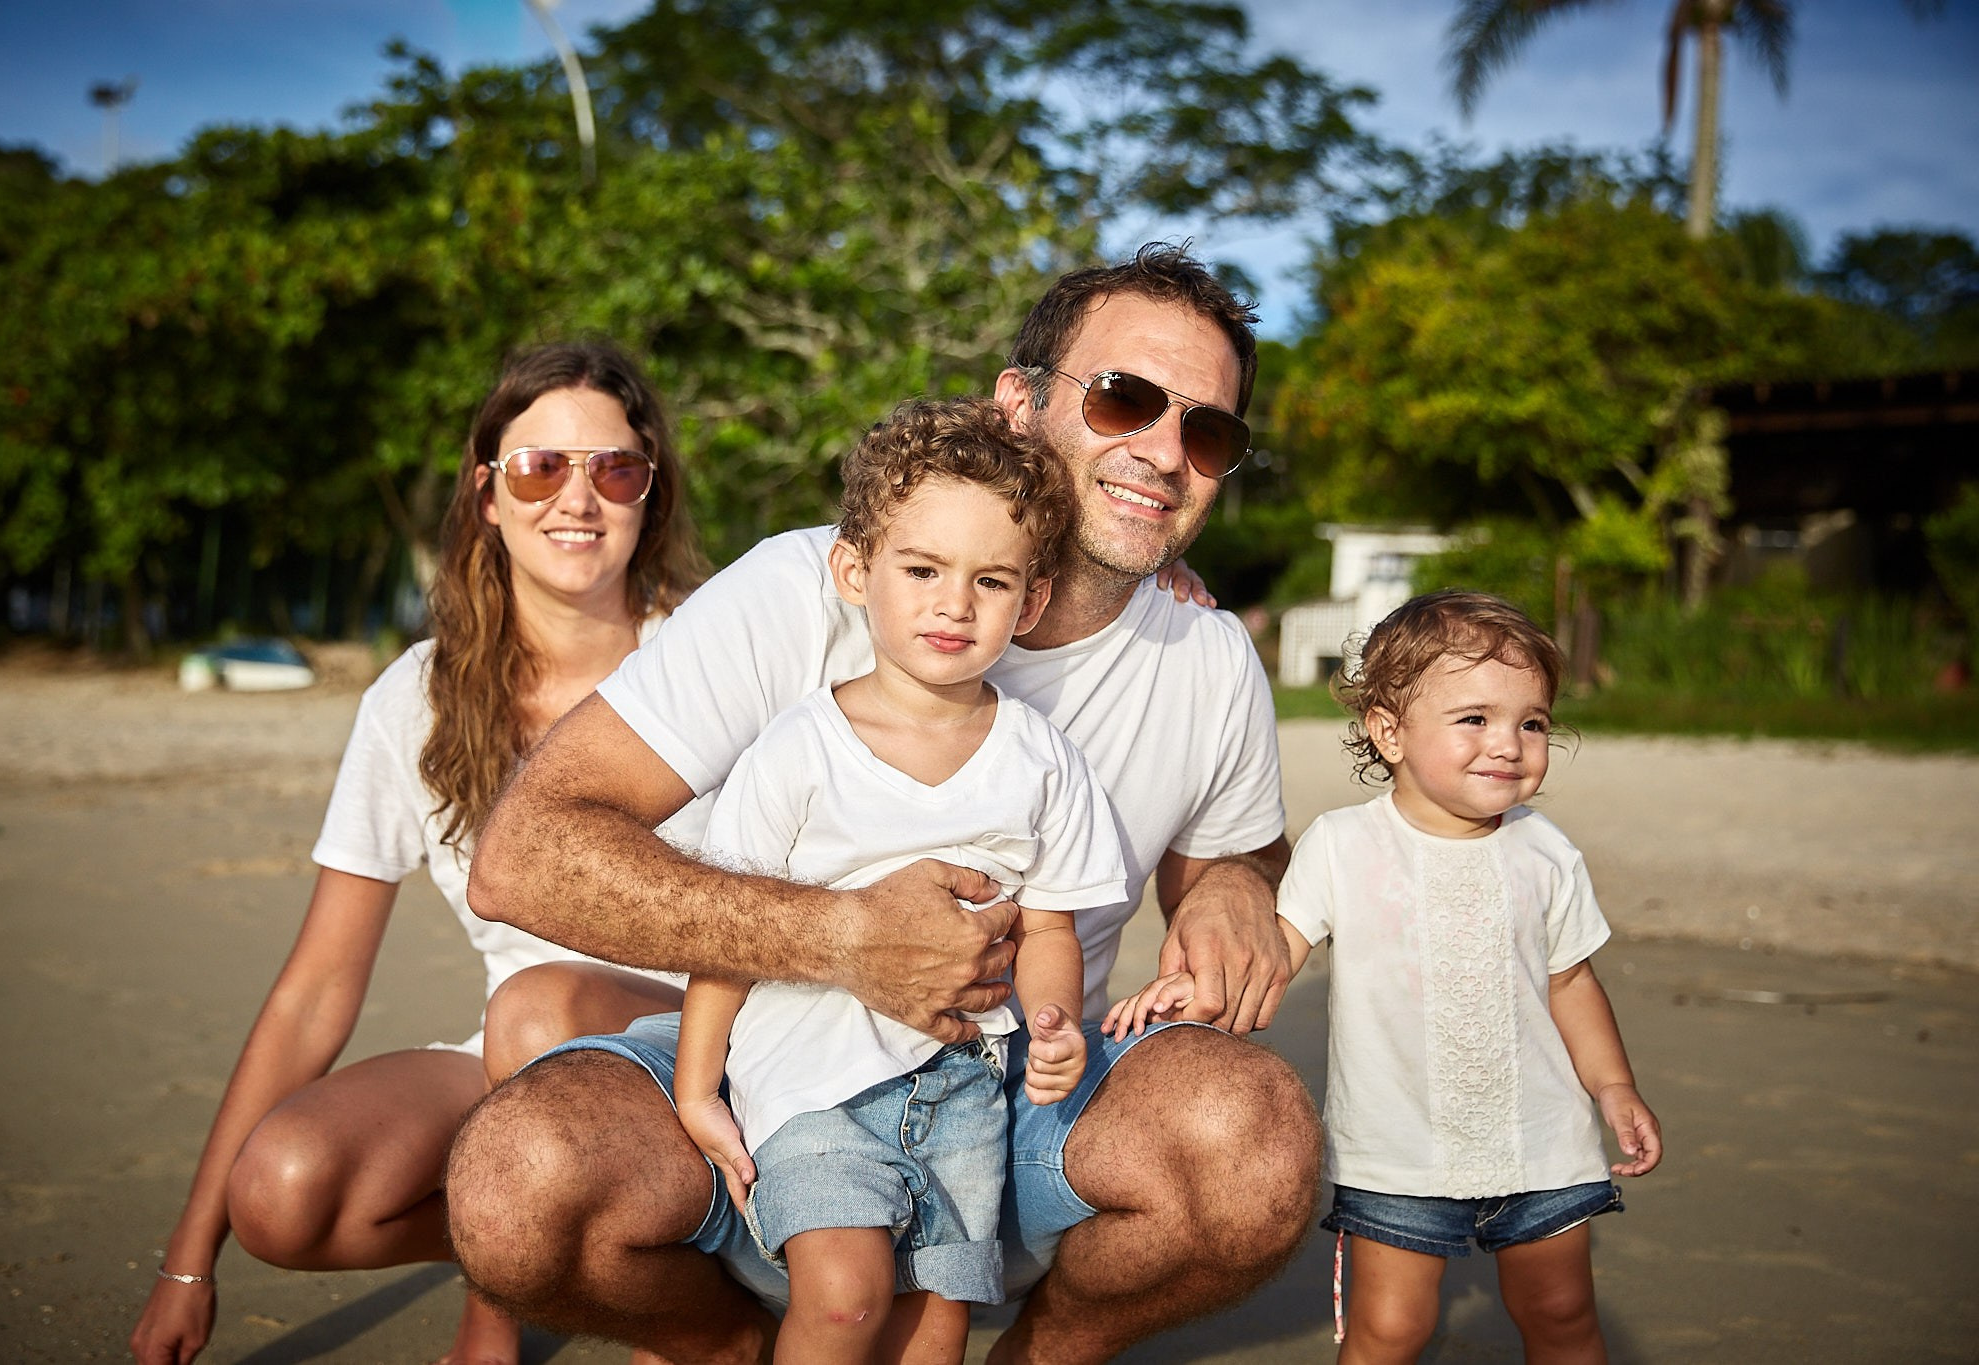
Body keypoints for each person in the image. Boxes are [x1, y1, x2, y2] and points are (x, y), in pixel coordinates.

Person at [446, 244, 1323, 1365]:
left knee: (1257, 1146)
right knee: (512, 1188)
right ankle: (725, 1345)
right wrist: (846, 939)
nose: (1162, 452)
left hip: (1018, 1093)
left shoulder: (1204, 654)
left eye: (1207, 432)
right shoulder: (798, 589)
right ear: (1019, 403)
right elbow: (522, 855)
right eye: (1125, 400)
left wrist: (1240, 887)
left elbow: (1237, 856)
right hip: (778, 1075)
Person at [128, 341, 707, 1365]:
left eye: (613, 468)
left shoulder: (711, 656)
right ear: (486, 495)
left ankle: (559, 1306)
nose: (577, 499)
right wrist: (190, 1258)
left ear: (648, 494)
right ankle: (574, 1261)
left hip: (718, 1052)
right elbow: (314, 990)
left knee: (541, 1006)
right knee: (288, 1189)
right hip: (519, 1061)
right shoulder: (417, 698)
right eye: (539, 468)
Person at [668, 397, 1126, 1363]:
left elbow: (1047, 930)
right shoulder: (798, 751)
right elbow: (731, 933)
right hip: (809, 1083)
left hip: (966, 1090)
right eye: (921, 570)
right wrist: (697, 1082)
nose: (953, 604)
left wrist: (1053, 1023)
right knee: (843, 1297)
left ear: (1031, 602)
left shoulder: (1042, 761)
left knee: (937, 1320)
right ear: (854, 570)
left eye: (990, 580)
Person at [1114, 590, 1664, 1363]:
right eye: (1474, 718)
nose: (1507, 742)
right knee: (1390, 1328)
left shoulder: (1546, 852)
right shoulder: (1343, 845)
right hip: (1397, 1149)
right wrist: (1196, 986)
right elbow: (1276, 947)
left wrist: (1613, 1087)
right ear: (1389, 730)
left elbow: (1570, 983)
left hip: (1542, 1141)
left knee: (1563, 1312)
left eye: (1532, 722)